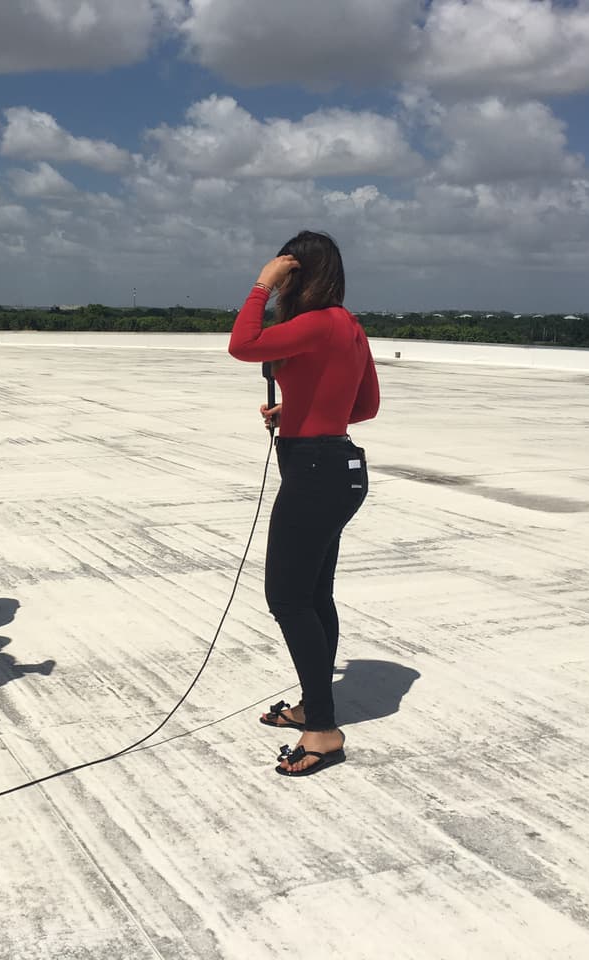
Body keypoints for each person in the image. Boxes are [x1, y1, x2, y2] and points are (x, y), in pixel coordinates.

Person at [227, 230, 380, 777]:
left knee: (288, 599)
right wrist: (293, 412)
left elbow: (242, 346)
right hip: (337, 468)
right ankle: (313, 708)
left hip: (314, 473)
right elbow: (364, 406)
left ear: (296, 274)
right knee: (314, 596)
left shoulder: (312, 323)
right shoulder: (350, 327)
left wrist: (259, 287)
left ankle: (323, 730)